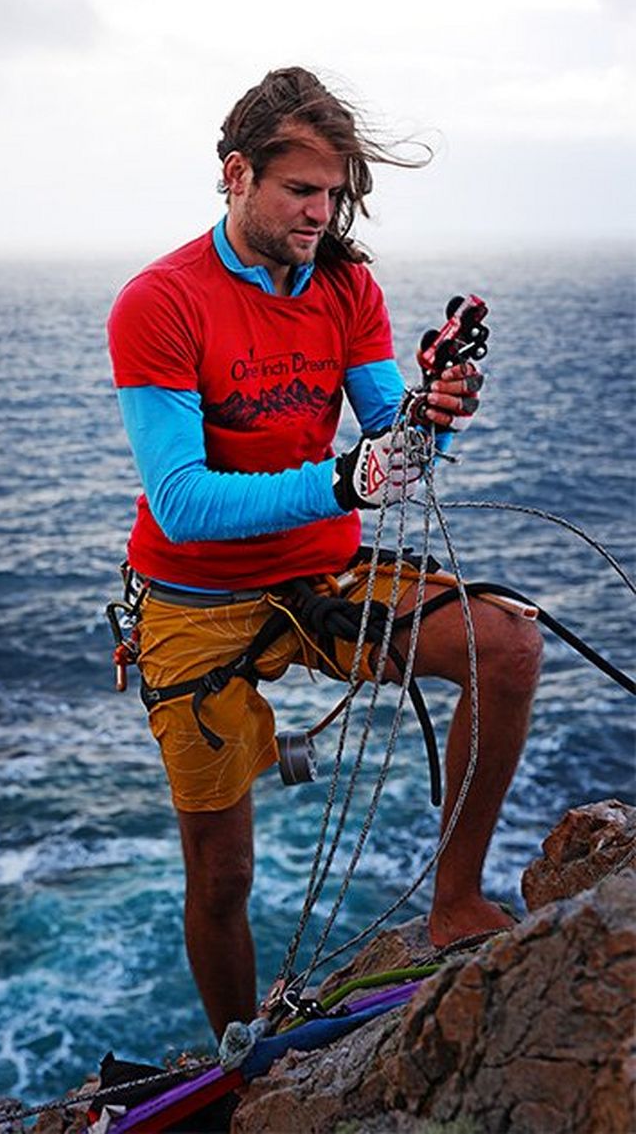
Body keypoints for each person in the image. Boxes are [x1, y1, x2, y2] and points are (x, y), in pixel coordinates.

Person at [106, 67, 543, 1041]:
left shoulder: (345, 287)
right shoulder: (160, 302)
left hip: (322, 576)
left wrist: (431, 414)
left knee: (505, 645)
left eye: (333, 191)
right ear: (234, 174)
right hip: (194, 594)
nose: (321, 210)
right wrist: (345, 480)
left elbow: (394, 450)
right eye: (300, 189)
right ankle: (237, 1051)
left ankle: (455, 901)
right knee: (221, 874)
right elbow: (180, 503)